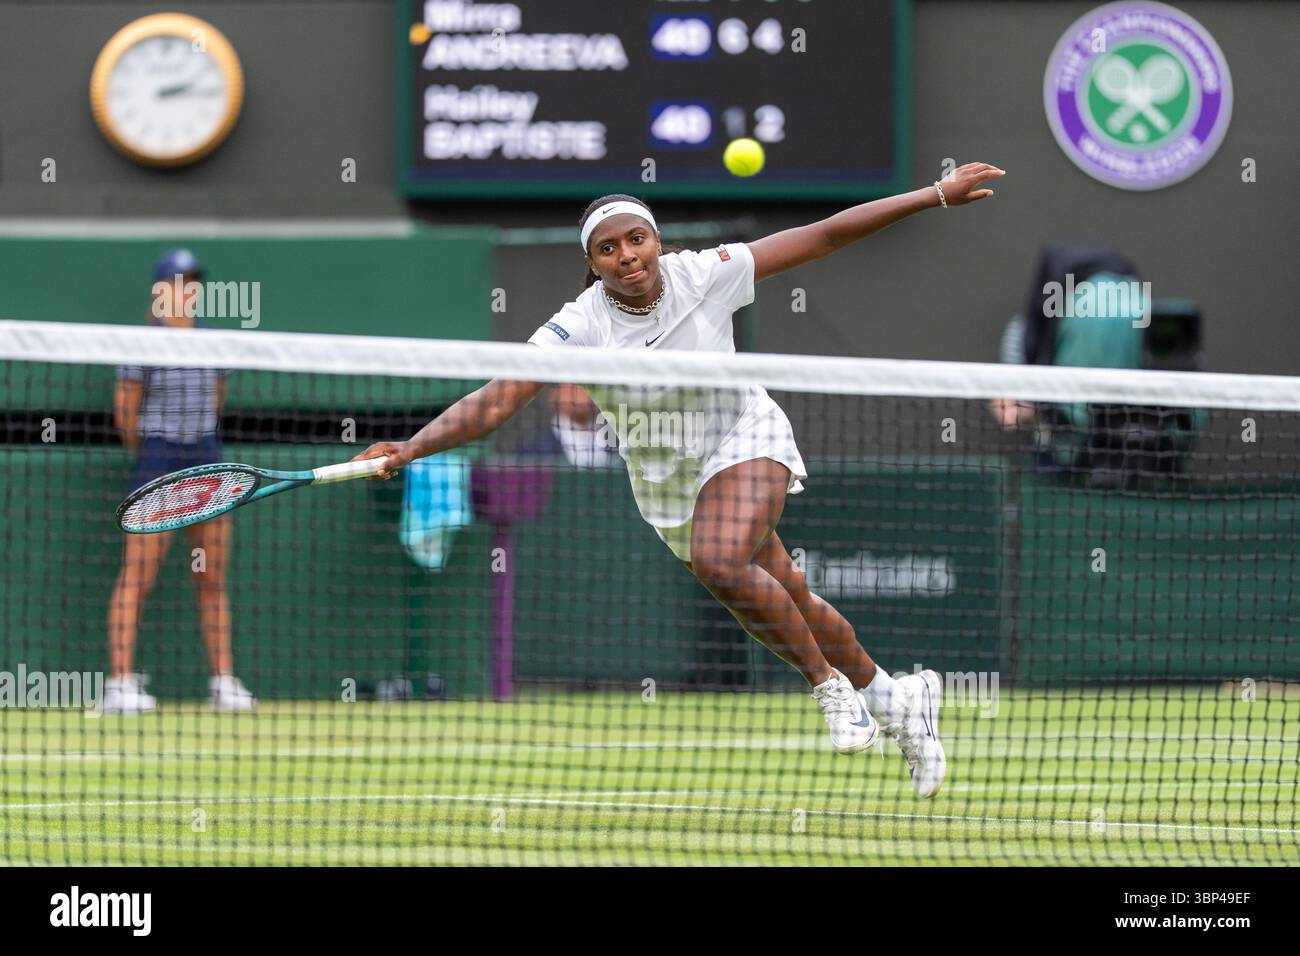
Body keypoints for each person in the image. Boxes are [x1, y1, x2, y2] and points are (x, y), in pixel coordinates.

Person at [353, 164, 1005, 797]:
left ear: (657, 241)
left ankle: (829, 689)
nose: (627, 256)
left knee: (722, 560)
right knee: (791, 596)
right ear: (594, 263)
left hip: (745, 437)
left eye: (637, 239)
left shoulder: (706, 275)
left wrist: (933, 197)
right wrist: (412, 448)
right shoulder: (579, 326)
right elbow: (496, 402)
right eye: (608, 249)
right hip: (668, 484)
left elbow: (825, 234)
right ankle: (898, 700)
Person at [104, 248, 257, 714]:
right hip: (157, 460)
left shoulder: (213, 341)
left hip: (207, 459)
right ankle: (121, 684)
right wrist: (154, 455)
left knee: (211, 577)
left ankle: (223, 683)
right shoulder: (143, 342)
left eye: (192, 282)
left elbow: (216, 399)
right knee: (138, 576)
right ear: (159, 290)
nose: (186, 290)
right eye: (177, 281)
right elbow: (126, 413)